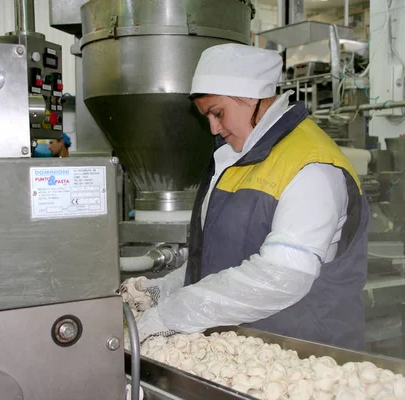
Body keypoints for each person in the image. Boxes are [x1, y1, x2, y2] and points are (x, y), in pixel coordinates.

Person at [130, 44, 370, 350]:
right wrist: (166, 290)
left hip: (307, 355)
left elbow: (281, 276)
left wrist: (173, 314)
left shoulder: (312, 168)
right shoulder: (233, 159)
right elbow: (223, 256)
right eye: (207, 116)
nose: (214, 127)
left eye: (218, 113)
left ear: (251, 97)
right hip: (244, 347)